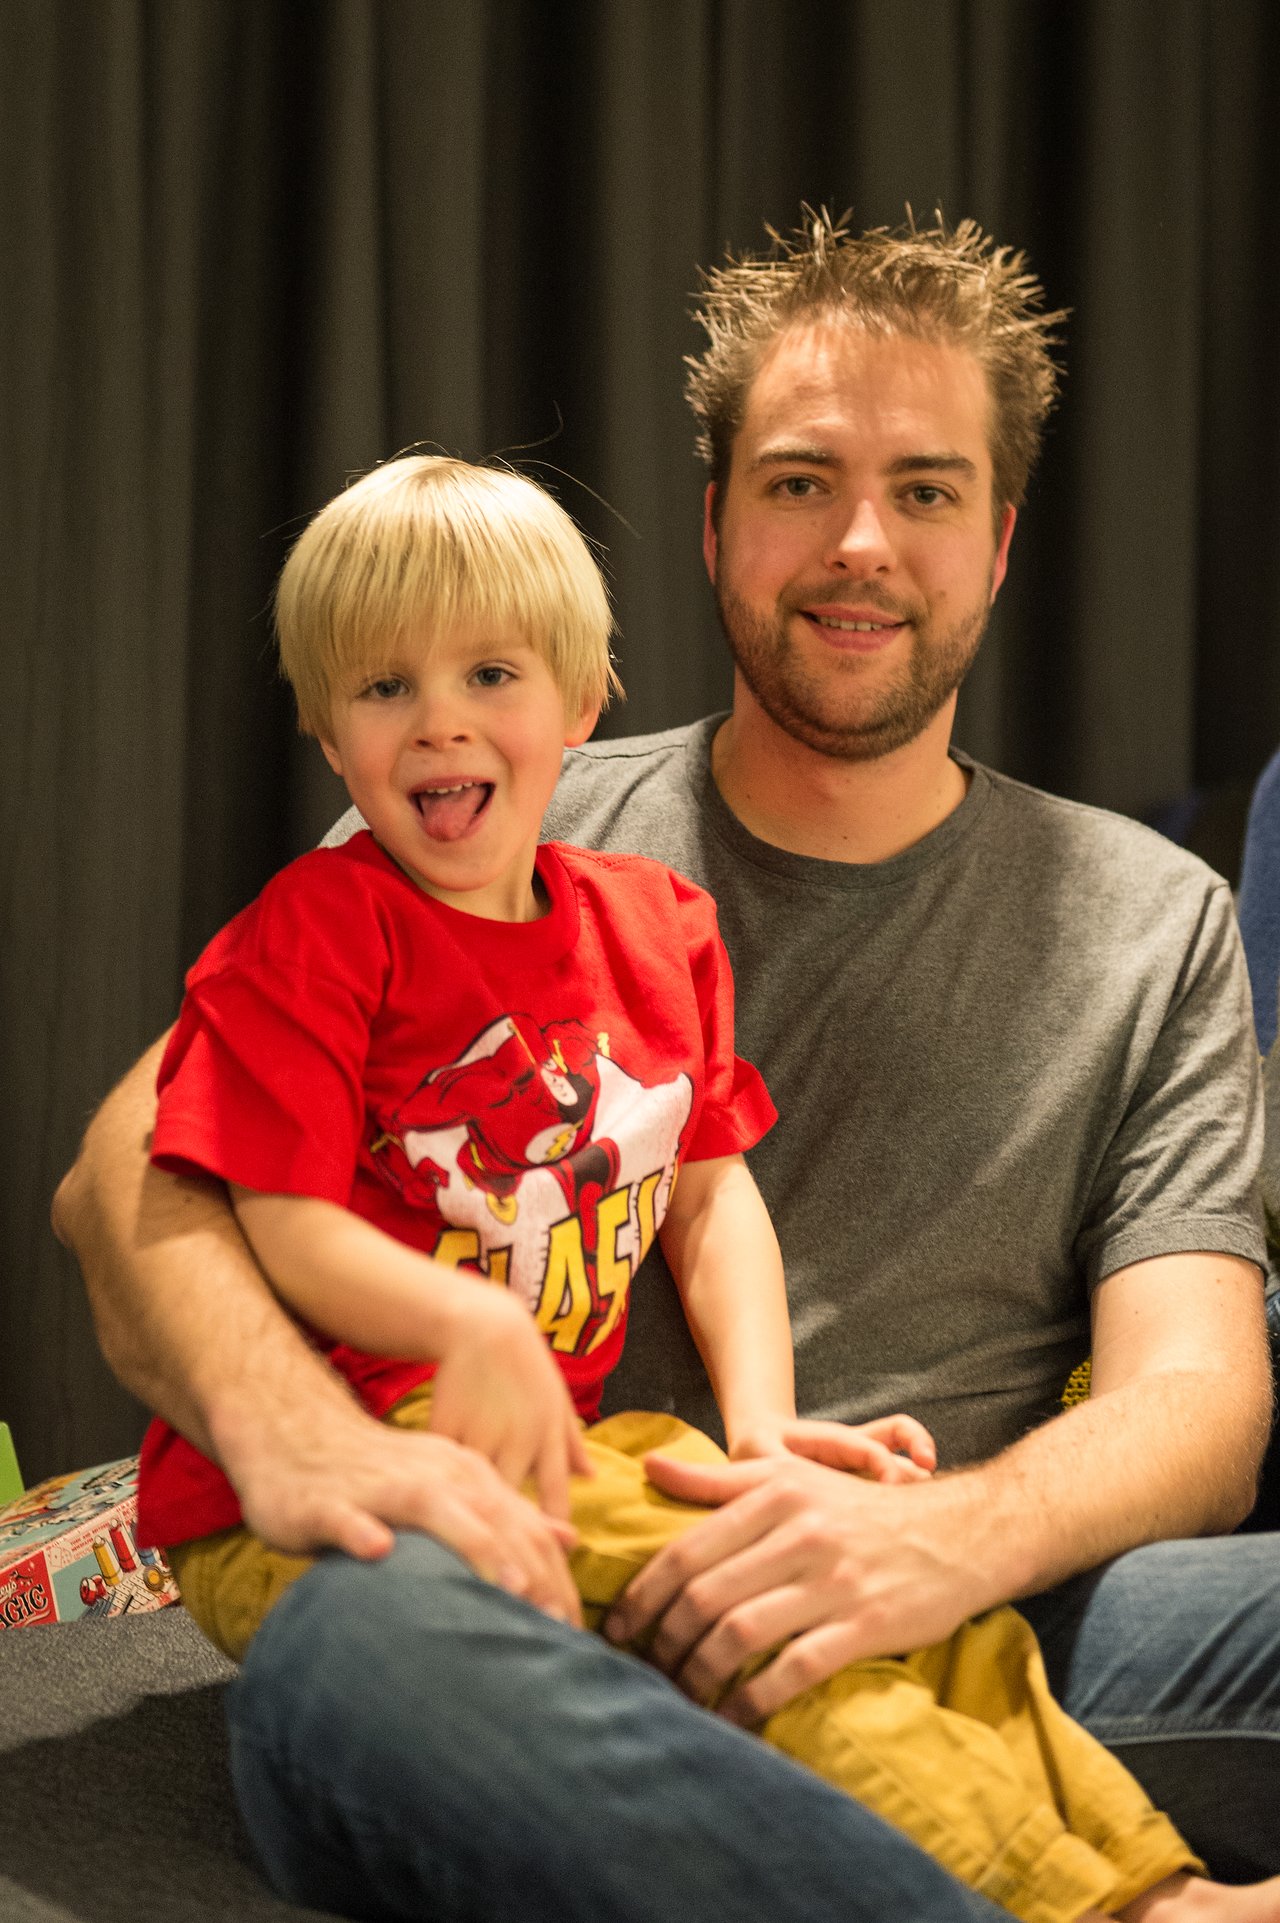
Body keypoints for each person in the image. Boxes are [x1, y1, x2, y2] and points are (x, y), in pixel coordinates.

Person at [52, 213, 1280, 1916]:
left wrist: (939, 1542)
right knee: (362, 1649)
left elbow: (1200, 1405)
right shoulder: (479, 806)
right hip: (539, 1582)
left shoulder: (1155, 921)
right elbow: (135, 1174)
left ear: (1000, 543)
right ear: (715, 527)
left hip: (973, 1587)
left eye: (926, 490)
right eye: (800, 483)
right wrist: (295, 1440)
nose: (861, 541)